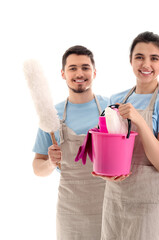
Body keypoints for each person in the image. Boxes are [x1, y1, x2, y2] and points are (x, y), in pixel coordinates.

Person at [94, 31, 159, 240]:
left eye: (154, 58)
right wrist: (105, 171)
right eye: (139, 57)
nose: (146, 64)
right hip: (116, 198)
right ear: (130, 60)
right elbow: (109, 148)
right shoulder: (116, 99)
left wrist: (139, 120)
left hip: (151, 202)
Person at [32, 45, 109, 239]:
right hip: (70, 210)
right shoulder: (51, 115)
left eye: (85, 67)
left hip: (109, 203)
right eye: (72, 68)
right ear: (63, 74)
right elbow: (37, 167)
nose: (79, 73)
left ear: (94, 72)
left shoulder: (111, 108)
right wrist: (50, 162)